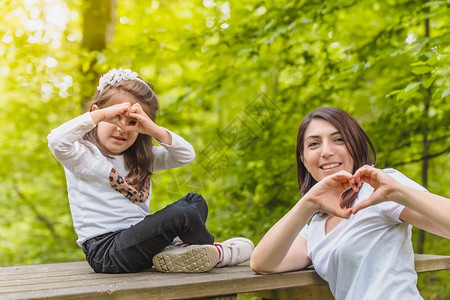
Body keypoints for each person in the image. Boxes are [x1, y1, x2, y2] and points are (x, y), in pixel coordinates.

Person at [48, 68, 253, 274]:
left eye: (132, 122)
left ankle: (176, 250)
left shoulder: (140, 158)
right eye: (116, 117)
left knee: (194, 201)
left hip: (139, 240)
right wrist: (99, 115)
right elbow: (56, 141)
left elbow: (186, 156)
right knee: (183, 214)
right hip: (107, 251)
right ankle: (214, 253)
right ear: (97, 113)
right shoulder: (83, 156)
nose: (122, 128)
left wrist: (153, 129)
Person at [250, 106, 450, 299]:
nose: (326, 151)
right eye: (313, 144)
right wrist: (309, 202)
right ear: (304, 161)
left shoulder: (379, 189)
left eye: (339, 139)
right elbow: (263, 262)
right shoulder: (315, 227)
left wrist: (396, 191)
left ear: (355, 147)